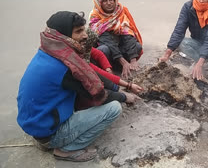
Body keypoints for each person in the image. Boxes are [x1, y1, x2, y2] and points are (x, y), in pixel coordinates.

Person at [17, 11, 139, 162]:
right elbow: (98, 95)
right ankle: (67, 150)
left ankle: (50, 139)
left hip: (37, 124)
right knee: (114, 108)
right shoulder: (65, 66)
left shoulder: (49, 52)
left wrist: (121, 86)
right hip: (47, 133)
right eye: (79, 31)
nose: (86, 36)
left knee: (82, 97)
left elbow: (91, 72)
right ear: (63, 35)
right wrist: (124, 96)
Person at [89, 0, 143, 79]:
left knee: (137, 46)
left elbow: (127, 36)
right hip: (108, 54)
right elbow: (106, 40)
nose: (109, 3)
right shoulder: (95, 17)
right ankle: (107, 70)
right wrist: (123, 61)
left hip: (120, 49)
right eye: (105, 1)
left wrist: (133, 60)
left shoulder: (120, 12)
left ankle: (124, 67)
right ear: (99, 2)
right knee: (103, 49)